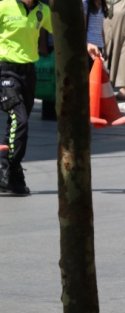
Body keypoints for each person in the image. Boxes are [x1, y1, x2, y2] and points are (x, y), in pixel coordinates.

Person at [0, 0, 53, 195]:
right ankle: (11, 169)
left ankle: (9, 172)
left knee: (16, 124)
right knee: (19, 120)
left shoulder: (42, 10)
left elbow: (64, 32)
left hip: (28, 72)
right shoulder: (4, 6)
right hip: (5, 70)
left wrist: (87, 43)